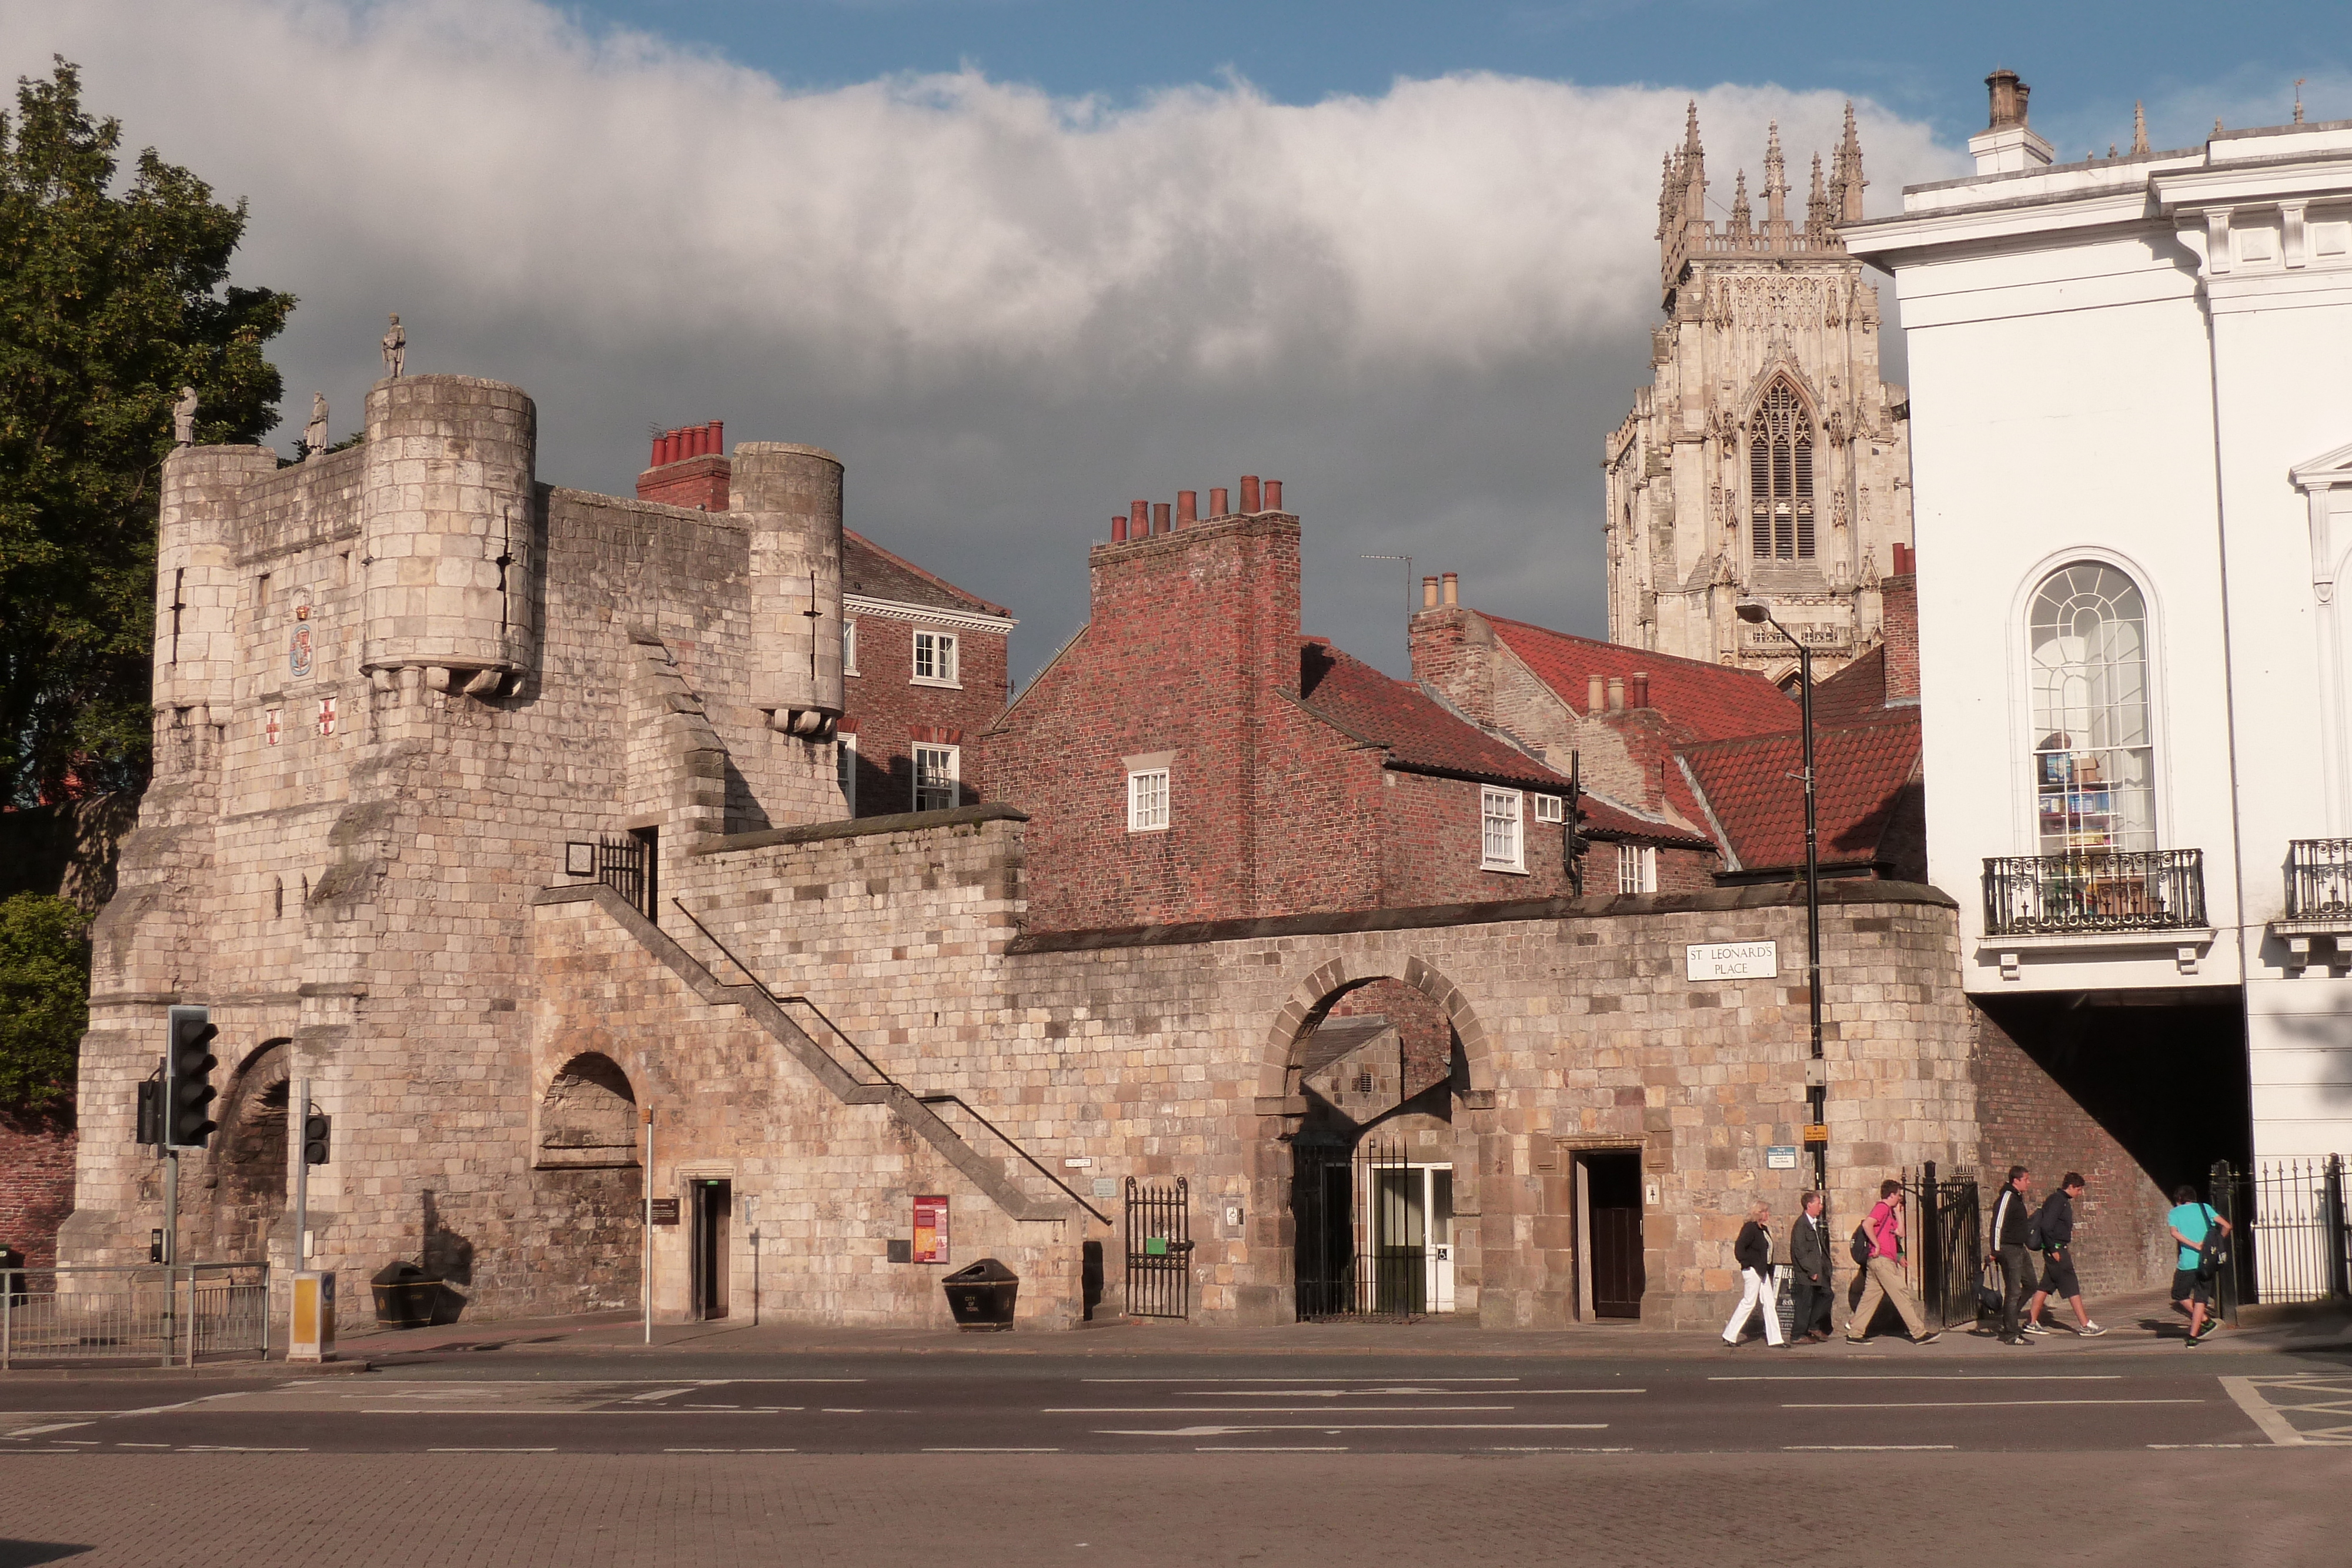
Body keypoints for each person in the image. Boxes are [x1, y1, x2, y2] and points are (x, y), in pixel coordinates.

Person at [1845, 1179, 1940, 1345]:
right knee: (1901, 1293)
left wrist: (1898, 1212)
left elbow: (1901, 1233)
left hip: (1879, 1262)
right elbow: (1868, 1224)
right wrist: (1876, 1244)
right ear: (1891, 1195)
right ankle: (1919, 1333)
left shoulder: (1889, 1212)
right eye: (1898, 1194)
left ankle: (1855, 1333)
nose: (1900, 1198)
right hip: (1882, 1261)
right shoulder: (1881, 1208)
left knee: (1870, 1298)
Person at [2024, 1172, 2105, 1336]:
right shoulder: (2058, 1201)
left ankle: (2031, 1322)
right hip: (2057, 1249)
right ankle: (2085, 1325)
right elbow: (2046, 1226)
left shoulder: (2061, 1201)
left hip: (2058, 1248)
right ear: (2071, 1187)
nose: (2080, 1193)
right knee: (2071, 1284)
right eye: (2079, 1189)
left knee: (2046, 1286)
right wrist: (2053, 1249)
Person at [2167, 1182, 2232, 1345]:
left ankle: (2207, 1321)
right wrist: (2215, 1244)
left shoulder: (2175, 1213)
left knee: (2179, 1294)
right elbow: (2227, 1226)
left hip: (2188, 1262)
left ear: (2180, 1199)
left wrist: (2194, 1245)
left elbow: (2174, 1233)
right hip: (2207, 1262)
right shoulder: (2205, 1208)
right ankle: (2193, 1337)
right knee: (2201, 1299)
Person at [1722, 1199, 1785, 1348]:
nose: (1768, 1214)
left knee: (1769, 1303)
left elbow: (1767, 1251)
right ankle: (1730, 1334)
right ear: (1759, 1213)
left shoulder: (1763, 1229)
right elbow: (1739, 1250)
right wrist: (1750, 1264)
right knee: (1749, 1302)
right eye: (1765, 1211)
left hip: (1763, 1271)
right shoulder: (1750, 1228)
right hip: (1753, 1271)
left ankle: (1775, 1339)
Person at [1989, 1165, 2037, 1345]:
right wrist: (1995, 1251)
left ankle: (2008, 1320)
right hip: (2008, 1249)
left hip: (2020, 1248)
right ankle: (2011, 1332)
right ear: (2016, 1180)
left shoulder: (2017, 1198)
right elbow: (1997, 1224)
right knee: (2014, 1291)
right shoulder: (2007, 1197)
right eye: (2026, 1179)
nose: (2029, 1182)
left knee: (2031, 1284)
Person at [1788, 1190, 1833, 1343]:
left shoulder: (1813, 1224)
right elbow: (1800, 1251)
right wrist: (1811, 1271)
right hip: (1808, 1272)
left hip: (1819, 1269)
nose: (1821, 1207)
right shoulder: (1801, 1225)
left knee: (1827, 1294)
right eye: (1819, 1204)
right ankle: (1797, 1334)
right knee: (1805, 1303)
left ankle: (1813, 1325)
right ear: (1809, 1205)